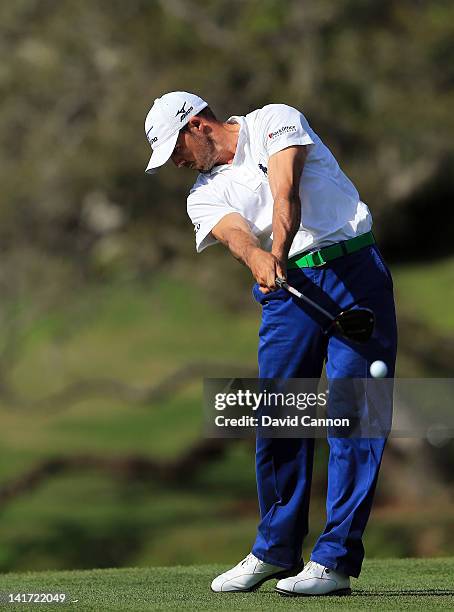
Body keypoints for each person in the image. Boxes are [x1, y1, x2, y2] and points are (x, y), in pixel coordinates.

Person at [144, 91, 397, 596]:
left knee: (357, 417)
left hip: (353, 271)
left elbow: (287, 194)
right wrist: (257, 258)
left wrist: (276, 251)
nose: (176, 163)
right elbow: (236, 234)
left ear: (197, 125)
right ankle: (275, 551)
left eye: (176, 149)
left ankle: (335, 562)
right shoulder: (201, 193)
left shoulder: (274, 121)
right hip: (287, 298)